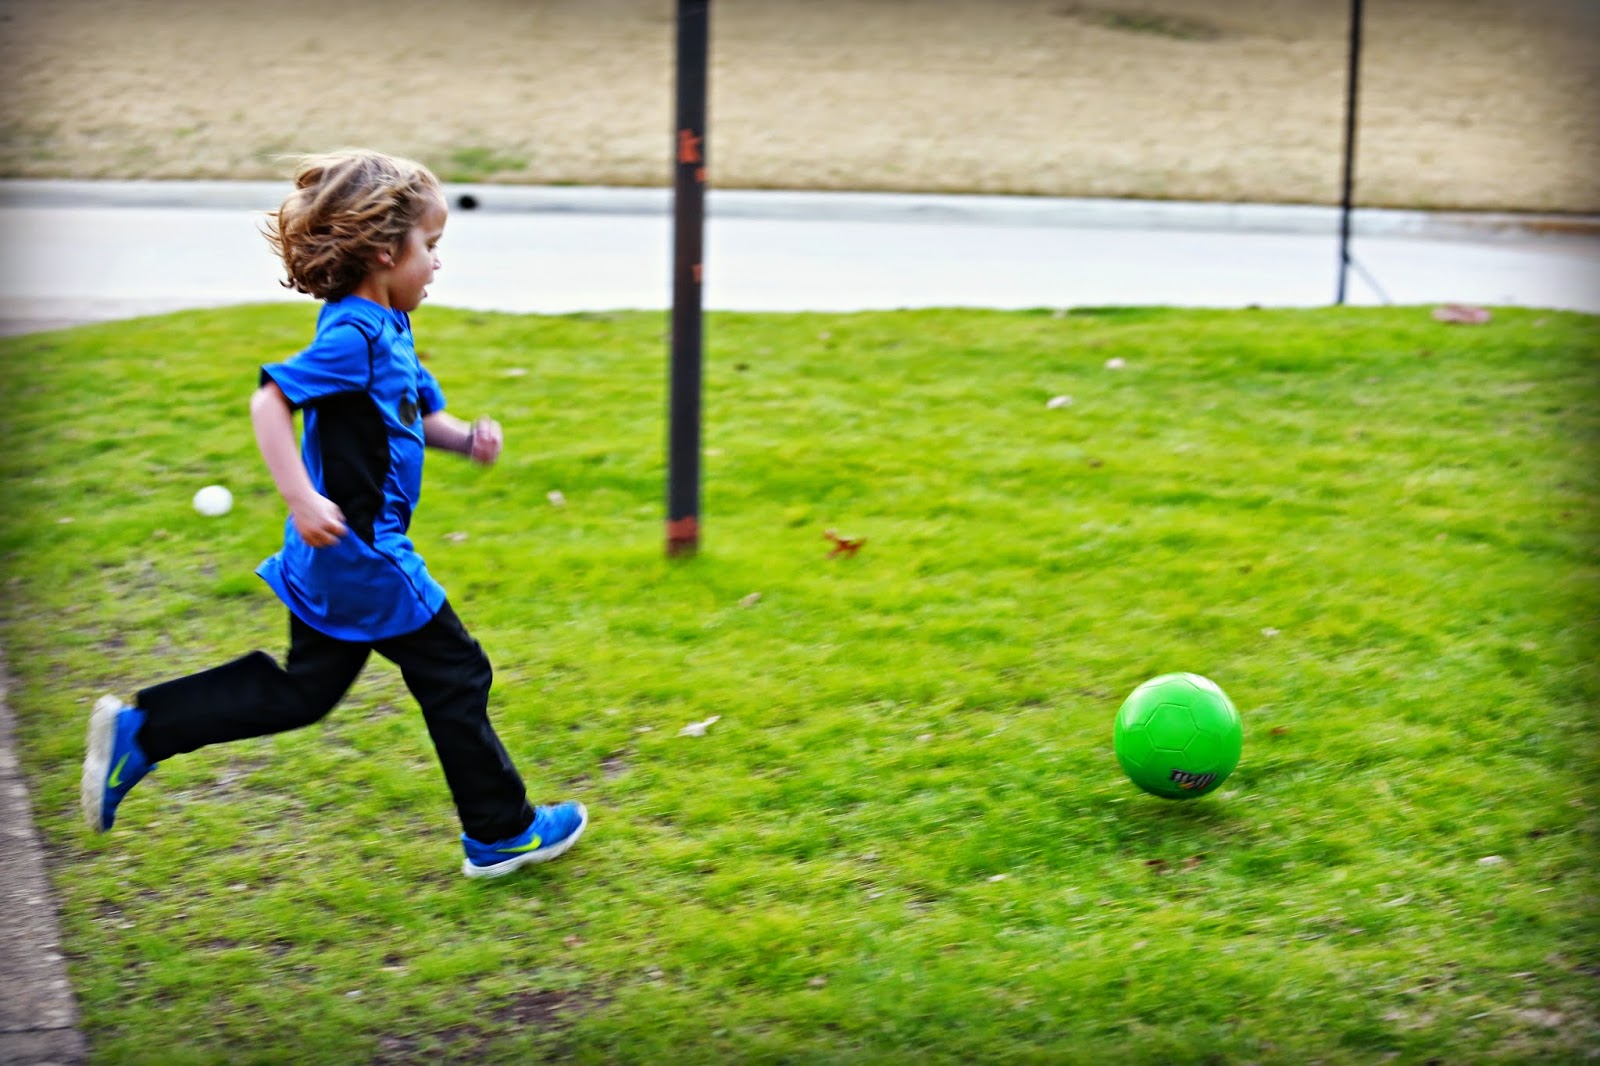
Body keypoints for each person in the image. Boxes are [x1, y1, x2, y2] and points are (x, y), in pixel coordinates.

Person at [80, 148, 586, 879]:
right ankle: (500, 831)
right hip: (364, 552)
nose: (437, 263)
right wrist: (301, 497)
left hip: (332, 555)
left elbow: (412, 414)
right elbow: (270, 401)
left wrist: (462, 440)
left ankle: (145, 730)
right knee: (456, 671)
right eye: (431, 246)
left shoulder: (388, 326)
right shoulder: (352, 337)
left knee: (304, 691)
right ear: (385, 252)